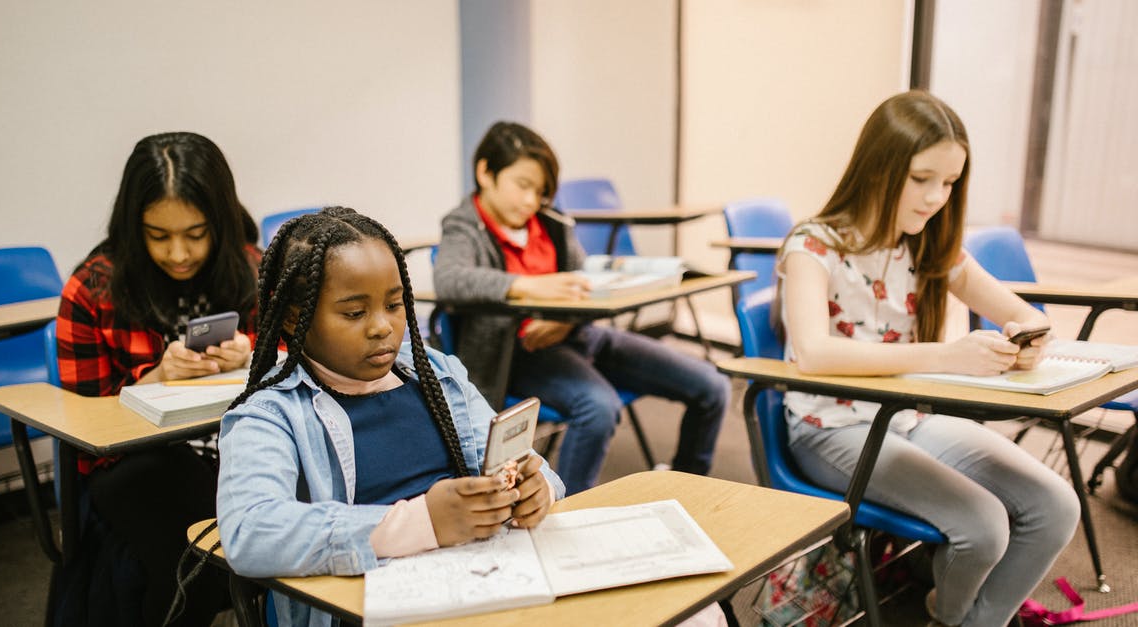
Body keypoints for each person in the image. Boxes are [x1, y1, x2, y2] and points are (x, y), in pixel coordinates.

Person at [776, 90, 1079, 627]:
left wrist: (1027, 340)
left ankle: (961, 619)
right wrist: (949, 356)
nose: (937, 197)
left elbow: (1019, 312)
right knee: (984, 528)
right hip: (831, 428)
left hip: (907, 419)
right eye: (922, 179)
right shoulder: (813, 245)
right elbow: (813, 353)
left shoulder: (929, 246)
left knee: (1057, 506)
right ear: (879, 168)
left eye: (949, 183)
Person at [216, 207, 564, 627]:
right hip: (367, 604)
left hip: (478, 579)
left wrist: (537, 485)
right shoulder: (271, 414)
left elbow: (522, 463)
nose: (382, 327)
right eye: (354, 313)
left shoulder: (436, 374)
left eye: (395, 304)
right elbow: (250, 531)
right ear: (295, 317)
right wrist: (422, 522)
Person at [433, 121, 732, 496]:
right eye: (522, 185)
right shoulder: (464, 226)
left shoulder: (550, 223)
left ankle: (690, 484)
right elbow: (450, 279)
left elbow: (585, 283)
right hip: (521, 353)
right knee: (598, 408)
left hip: (579, 336)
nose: (530, 201)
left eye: (540, 191)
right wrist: (528, 286)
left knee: (713, 386)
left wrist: (567, 320)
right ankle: (565, 509)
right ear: (485, 172)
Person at [56, 131, 260, 626]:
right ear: (132, 226)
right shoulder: (93, 289)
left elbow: (300, 362)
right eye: (157, 235)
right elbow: (83, 430)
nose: (177, 254)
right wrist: (154, 378)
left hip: (240, 444)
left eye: (195, 234)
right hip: (137, 463)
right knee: (191, 558)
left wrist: (252, 352)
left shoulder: (250, 267)